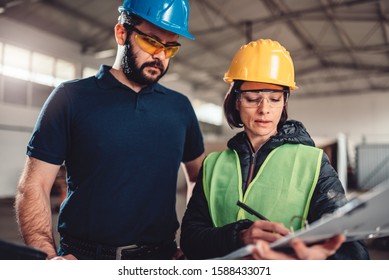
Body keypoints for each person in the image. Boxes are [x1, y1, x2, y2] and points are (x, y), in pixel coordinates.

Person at [15, 0, 205, 260]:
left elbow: (198, 179)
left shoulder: (179, 107)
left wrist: (192, 240)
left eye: (170, 47)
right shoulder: (71, 98)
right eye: (151, 42)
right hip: (85, 259)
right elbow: (34, 184)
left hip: (160, 257)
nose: (160, 56)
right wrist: (47, 257)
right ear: (121, 33)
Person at [180, 39, 370, 260]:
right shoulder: (213, 165)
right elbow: (190, 239)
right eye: (253, 99)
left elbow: (353, 249)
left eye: (274, 99)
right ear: (236, 101)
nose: (264, 110)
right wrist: (239, 237)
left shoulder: (314, 163)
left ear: (284, 102)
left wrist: (317, 261)